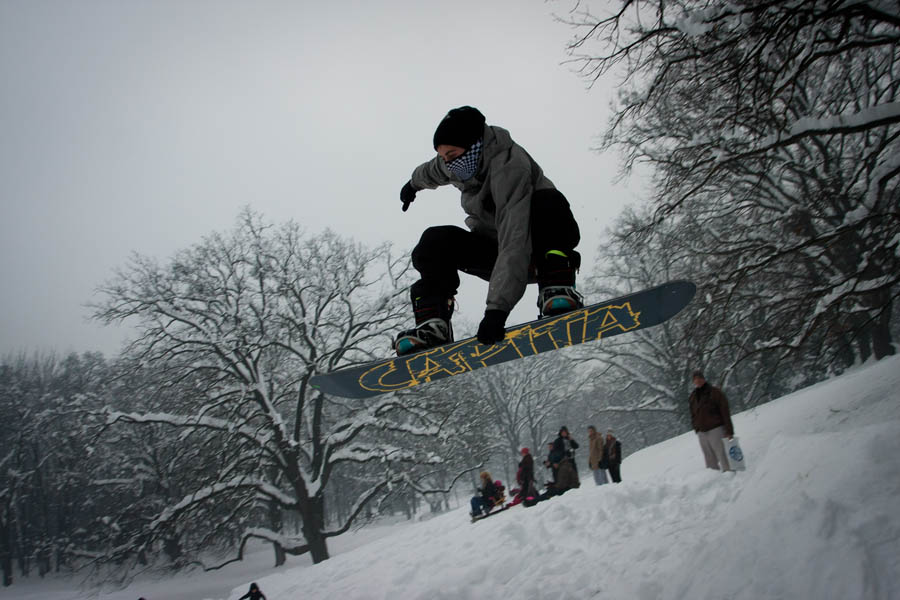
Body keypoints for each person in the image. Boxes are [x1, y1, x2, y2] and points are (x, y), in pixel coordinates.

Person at [394, 106, 584, 355]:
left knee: (548, 202)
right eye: (444, 156)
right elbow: (432, 170)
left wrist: (497, 310)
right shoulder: (456, 162)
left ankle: (556, 286)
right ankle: (433, 325)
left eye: (451, 154)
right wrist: (412, 185)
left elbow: (514, 237)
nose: (449, 163)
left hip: (534, 248)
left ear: (474, 146)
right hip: (494, 253)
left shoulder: (510, 167)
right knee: (434, 241)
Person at [689, 370, 735, 472]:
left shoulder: (715, 392)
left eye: (699, 378)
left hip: (716, 428)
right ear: (693, 381)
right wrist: (696, 428)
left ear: (703, 379)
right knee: (709, 458)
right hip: (701, 431)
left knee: (722, 453)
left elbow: (725, 411)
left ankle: (729, 472)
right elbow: (693, 414)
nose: (698, 381)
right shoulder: (693, 396)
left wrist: (729, 431)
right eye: (695, 379)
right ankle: (713, 476)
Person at [551, 426, 580, 491]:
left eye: (565, 432)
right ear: (560, 433)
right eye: (563, 432)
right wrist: (555, 461)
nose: (564, 434)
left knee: (574, 472)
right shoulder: (558, 441)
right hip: (563, 460)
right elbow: (555, 452)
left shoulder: (569, 439)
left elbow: (576, 446)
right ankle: (565, 487)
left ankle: (575, 485)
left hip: (571, 458)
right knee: (565, 473)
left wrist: (571, 440)